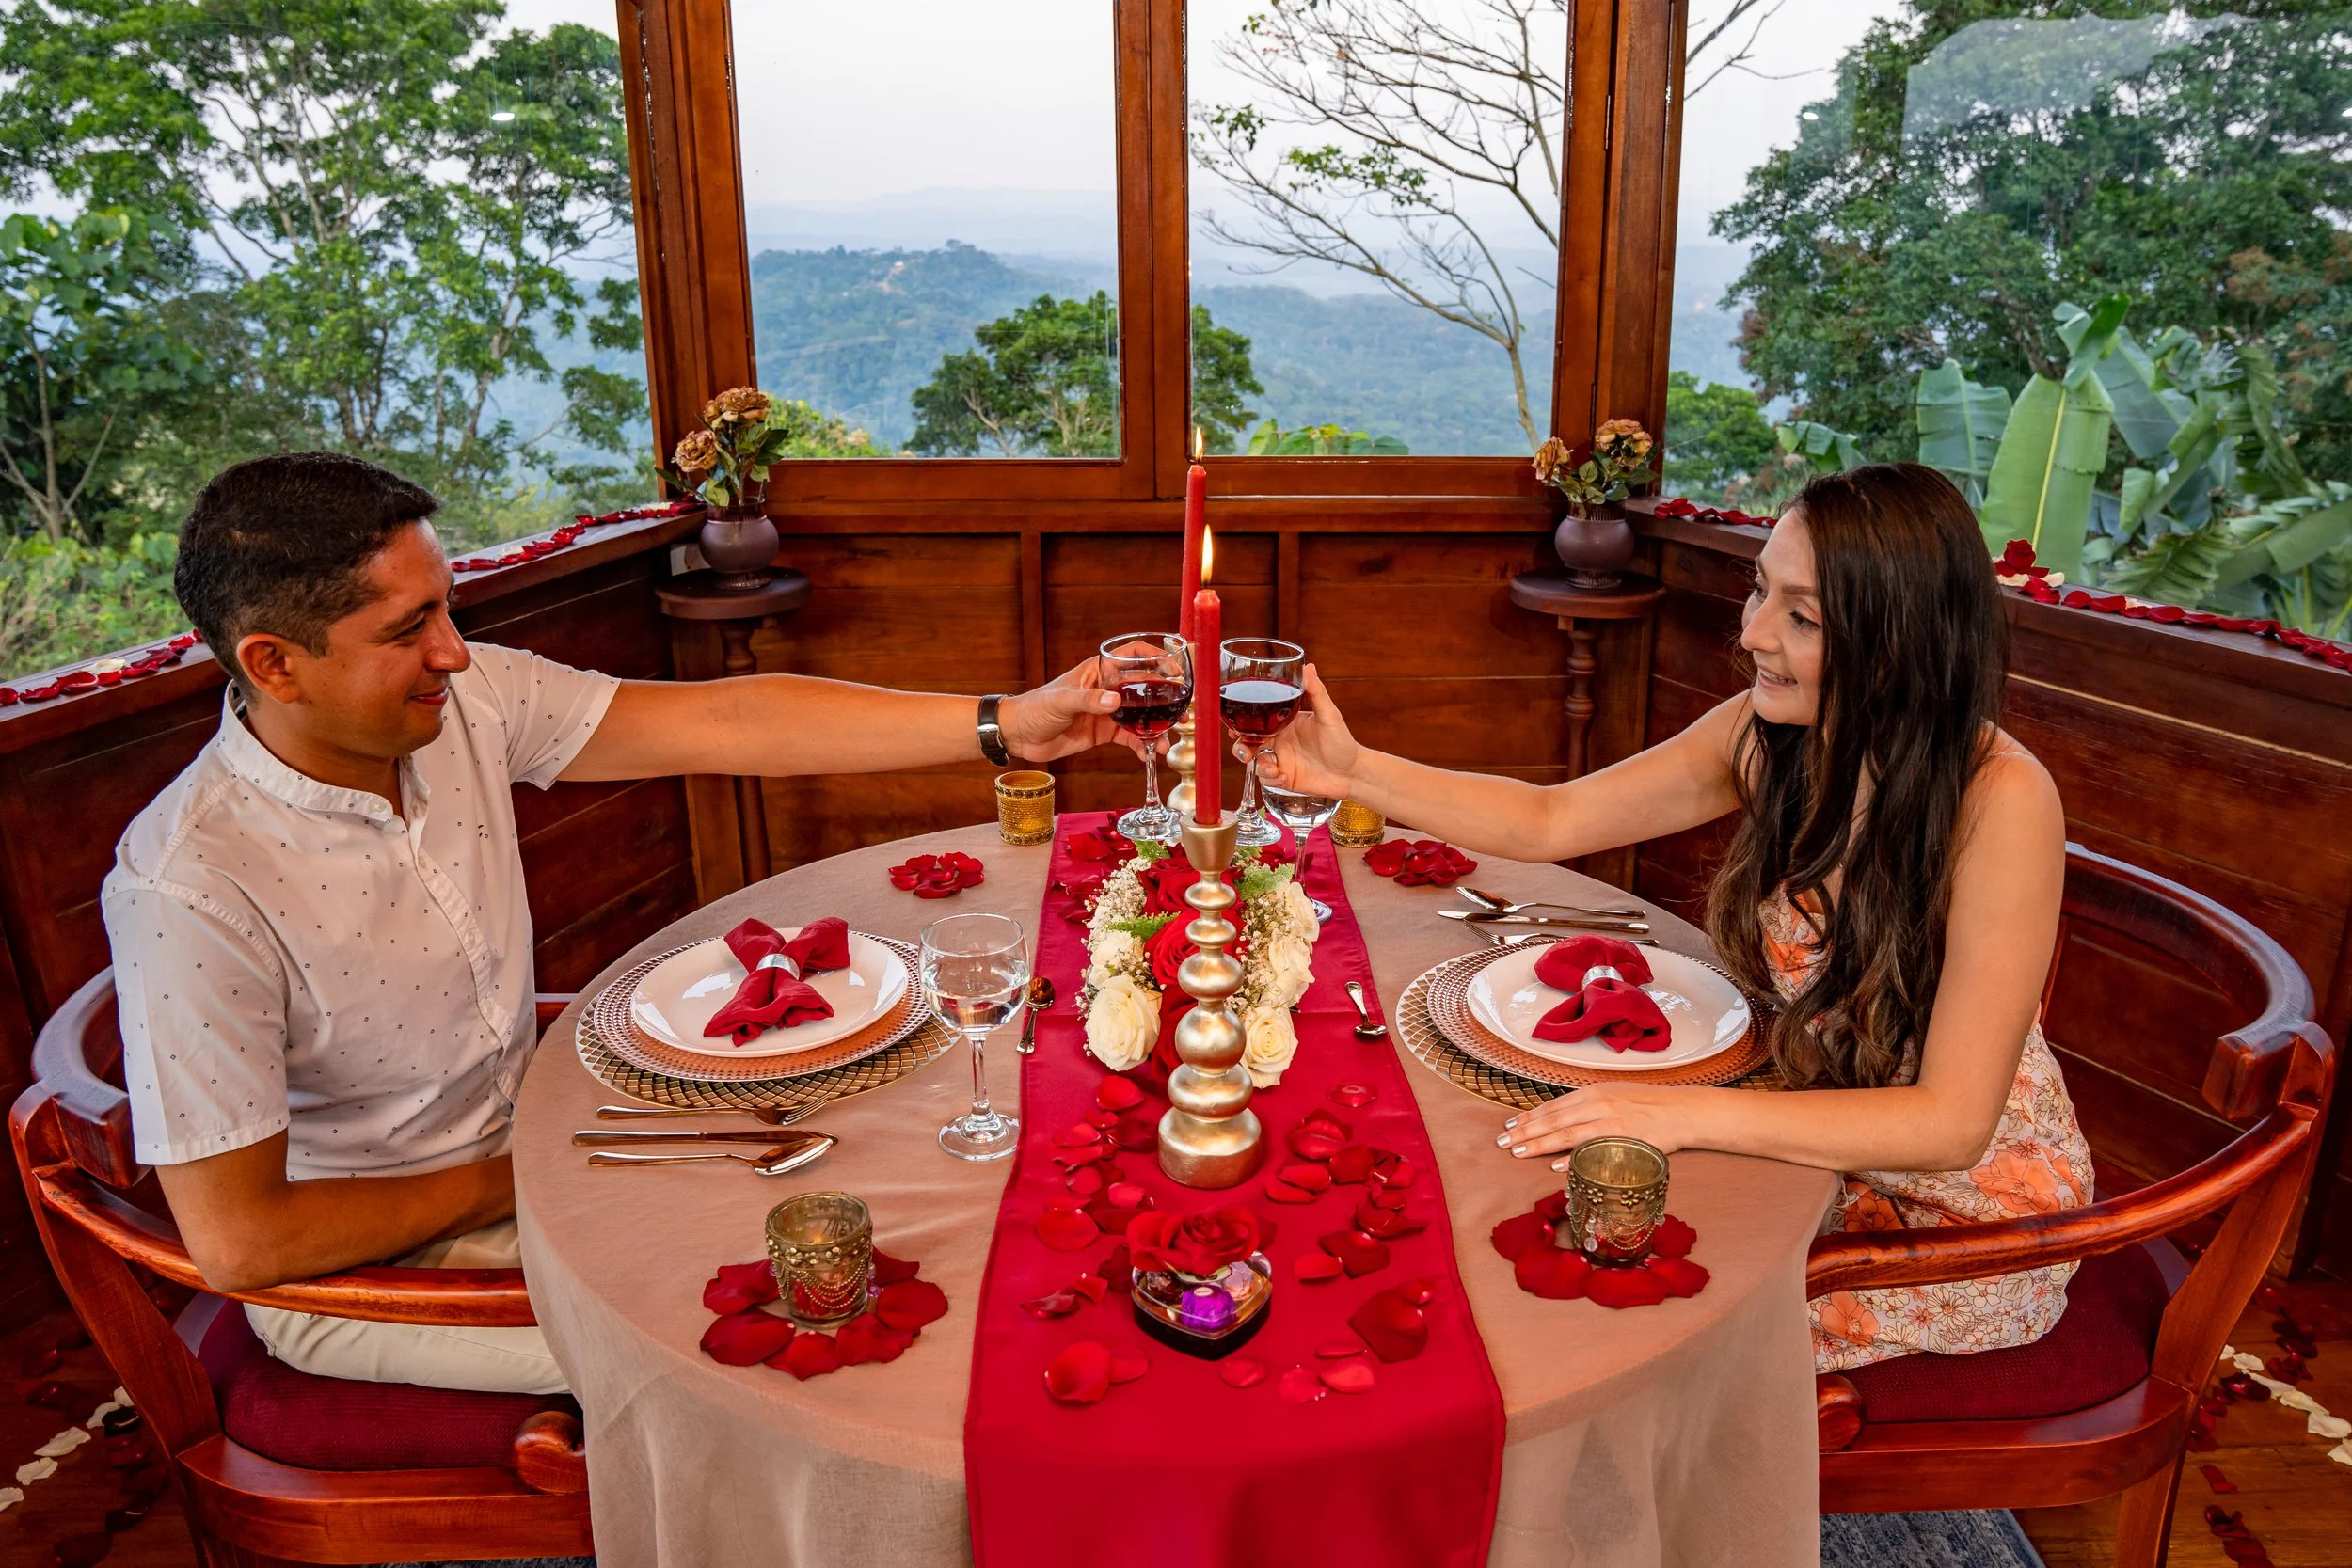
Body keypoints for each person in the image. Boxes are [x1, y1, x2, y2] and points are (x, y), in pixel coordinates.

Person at [103, 451, 1126, 1394]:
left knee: (895, 1186)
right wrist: (532, 1172)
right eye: (406, 629)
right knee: (803, 1337)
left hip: (556, 1146)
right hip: (373, 1263)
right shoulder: (189, 887)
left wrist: (1005, 721)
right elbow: (245, 1244)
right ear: (274, 663)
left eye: (446, 608)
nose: (454, 653)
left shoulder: (462, 703)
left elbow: (728, 719)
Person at [1261, 462, 2091, 1370]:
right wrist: (1356, 770)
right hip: (1803, 1131)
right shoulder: (1774, 731)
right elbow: (1555, 819)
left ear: (1903, 641)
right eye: (1760, 588)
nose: (1754, 632)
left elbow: (1950, 1124)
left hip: (1957, 1221)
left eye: (1803, 617)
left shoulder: (2002, 799)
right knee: (1523, 1215)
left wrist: (1677, 1112)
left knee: (1628, 1331)